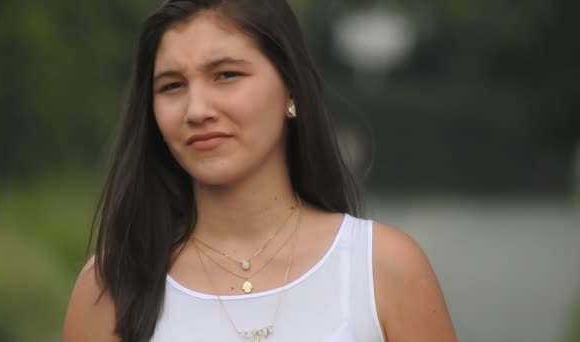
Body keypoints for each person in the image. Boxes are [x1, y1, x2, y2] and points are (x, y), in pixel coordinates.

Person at [63, 0, 457, 341]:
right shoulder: (110, 287)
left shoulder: (383, 268)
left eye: (226, 75)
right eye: (171, 86)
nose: (197, 109)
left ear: (291, 90)